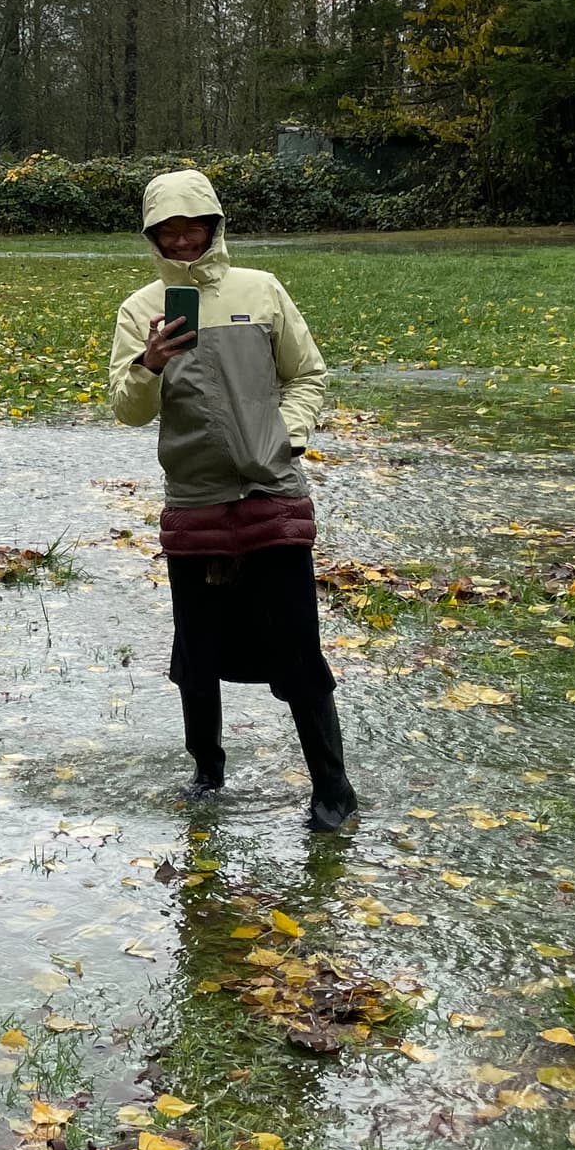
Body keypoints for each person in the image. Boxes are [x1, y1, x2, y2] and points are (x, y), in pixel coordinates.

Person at [107, 167, 357, 831]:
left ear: (214, 226)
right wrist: (151, 362)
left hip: (271, 489)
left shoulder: (261, 291)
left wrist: (289, 434)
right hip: (193, 499)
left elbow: (307, 374)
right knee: (198, 652)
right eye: (167, 230)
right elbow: (127, 411)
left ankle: (332, 787)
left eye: (193, 226)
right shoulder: (140, 309)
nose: (182, 239)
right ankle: (206, 773)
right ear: (152, 236)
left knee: (299, 646)